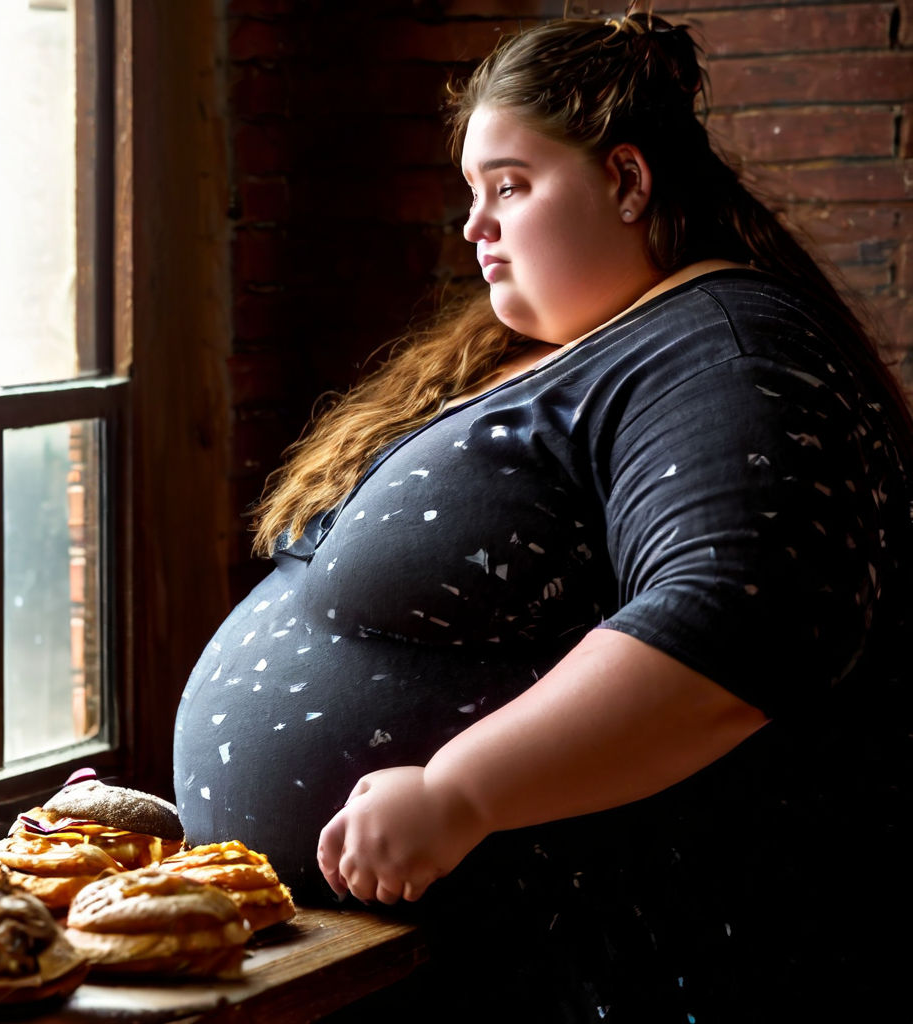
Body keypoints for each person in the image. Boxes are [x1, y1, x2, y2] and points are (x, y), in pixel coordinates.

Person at [173, 10, 913, 1021]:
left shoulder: (722, 347)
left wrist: (458, 793)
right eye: (470, 194)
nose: (473, 227)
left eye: (509, 187)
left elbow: (742, 621)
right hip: (373, 949)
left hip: (575, 966)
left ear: (625, 179)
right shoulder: (578, 346)